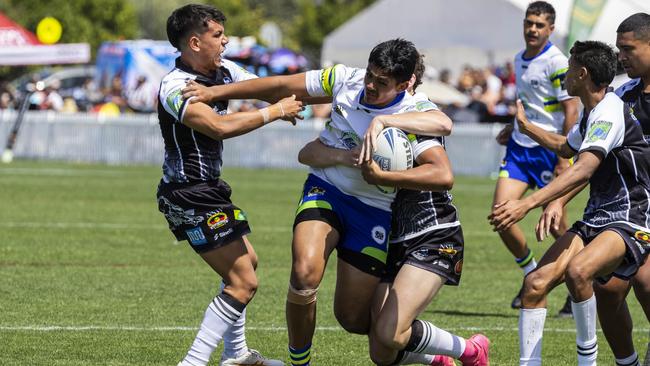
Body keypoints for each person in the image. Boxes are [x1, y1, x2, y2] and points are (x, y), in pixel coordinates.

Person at [181, 38, 454, 366]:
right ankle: (301, 363)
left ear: (406, 83)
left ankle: (427, 354)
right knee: (304, 274)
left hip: (375, 211)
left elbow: (444, 123)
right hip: (327, 190)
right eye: (370, 74)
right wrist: (215, 93)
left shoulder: (415, 108)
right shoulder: (344, 80)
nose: (370, 85)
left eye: (382, 83)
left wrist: (384, 121)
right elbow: (281, 85)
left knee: (353, 319)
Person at [297, 56, 490, 366]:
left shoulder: (413, 121)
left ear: (408, 84)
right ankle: (437, 359)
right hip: (394, 239)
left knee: (389, 333)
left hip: (432, 234)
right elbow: (307, 151)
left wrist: (383, 175)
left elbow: (443, 175)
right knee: (382, 350)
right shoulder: (375, 116)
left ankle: (470, 350)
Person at [157, 5, 302, 366]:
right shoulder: (175, 86)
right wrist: (276, 111)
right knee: (243, 282)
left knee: (248, 263)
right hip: (188, 194)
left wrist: (349, 93)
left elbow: (275, 87)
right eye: (218, 36)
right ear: (194, 41)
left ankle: (236, 355)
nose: (226, 42)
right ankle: (192, 363)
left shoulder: (223, 72)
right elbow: (217, 127)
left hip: (209, 190)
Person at [489, 40, 650, 366]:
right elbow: (567, 147)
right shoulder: (594, 111)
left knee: (580, 272)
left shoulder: (610, 110)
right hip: (597, 218)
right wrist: (527, 128)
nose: (565, 74)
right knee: (534, 285)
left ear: (582, 73)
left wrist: (529, 203)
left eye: (570, 67)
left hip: (630, 216)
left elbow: (585, 166)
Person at [536, 13, 650, 366]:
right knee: (609, 290)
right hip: (628, 209)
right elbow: (589, 159)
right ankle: (626, 362)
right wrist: (559, 199)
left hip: (639, 212)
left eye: (628, 49)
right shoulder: (620, 97)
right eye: (619, 49)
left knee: (646, 284)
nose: (621, 57)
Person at [492, 1, 579, 314]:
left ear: (551, 29)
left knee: (557, 226)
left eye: (539, 25)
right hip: (518, 149)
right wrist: (511, 126)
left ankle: (577, 285)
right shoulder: (519, 58)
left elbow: (571, 109)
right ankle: (531, 273)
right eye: (529, 23)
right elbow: (529, 103)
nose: (532, 29)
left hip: (548, 151)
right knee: (501, 216)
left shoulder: (556, 61)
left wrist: (563, 157)